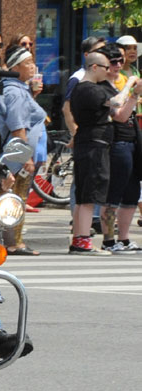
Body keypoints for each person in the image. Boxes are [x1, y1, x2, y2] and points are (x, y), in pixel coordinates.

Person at [69, 49, 126, 255]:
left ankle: (79, 238)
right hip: (94, 144)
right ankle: (82, 240)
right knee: (89, 196)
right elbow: (116, 103)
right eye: (105, 67)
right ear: (94, 67)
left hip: (90, 143)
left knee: (85, 194)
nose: (108, 70)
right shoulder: (90, 90)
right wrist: (129, 86)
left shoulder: (84, 89)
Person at [0, 44, 47, 255]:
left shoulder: (19, 89)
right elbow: (18, 128)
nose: (33, 67)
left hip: (19, 150)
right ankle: (12, 242)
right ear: (15, 67)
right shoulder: (14, 92)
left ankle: (12, 240)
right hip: (17, 151)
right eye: (27, 63)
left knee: (14, 194)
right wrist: (26, 158)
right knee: (14, 195)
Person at [99, 43, 141, 253]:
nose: (117, 65)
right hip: (117, 141)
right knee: (114, 191)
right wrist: (132, 93)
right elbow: (120, 114)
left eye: (120, 60)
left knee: (132, 191)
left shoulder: (123, 80)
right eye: (112, 61)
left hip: (133, 138)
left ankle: (124, 238)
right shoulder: (102, 87)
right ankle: (108, 239)